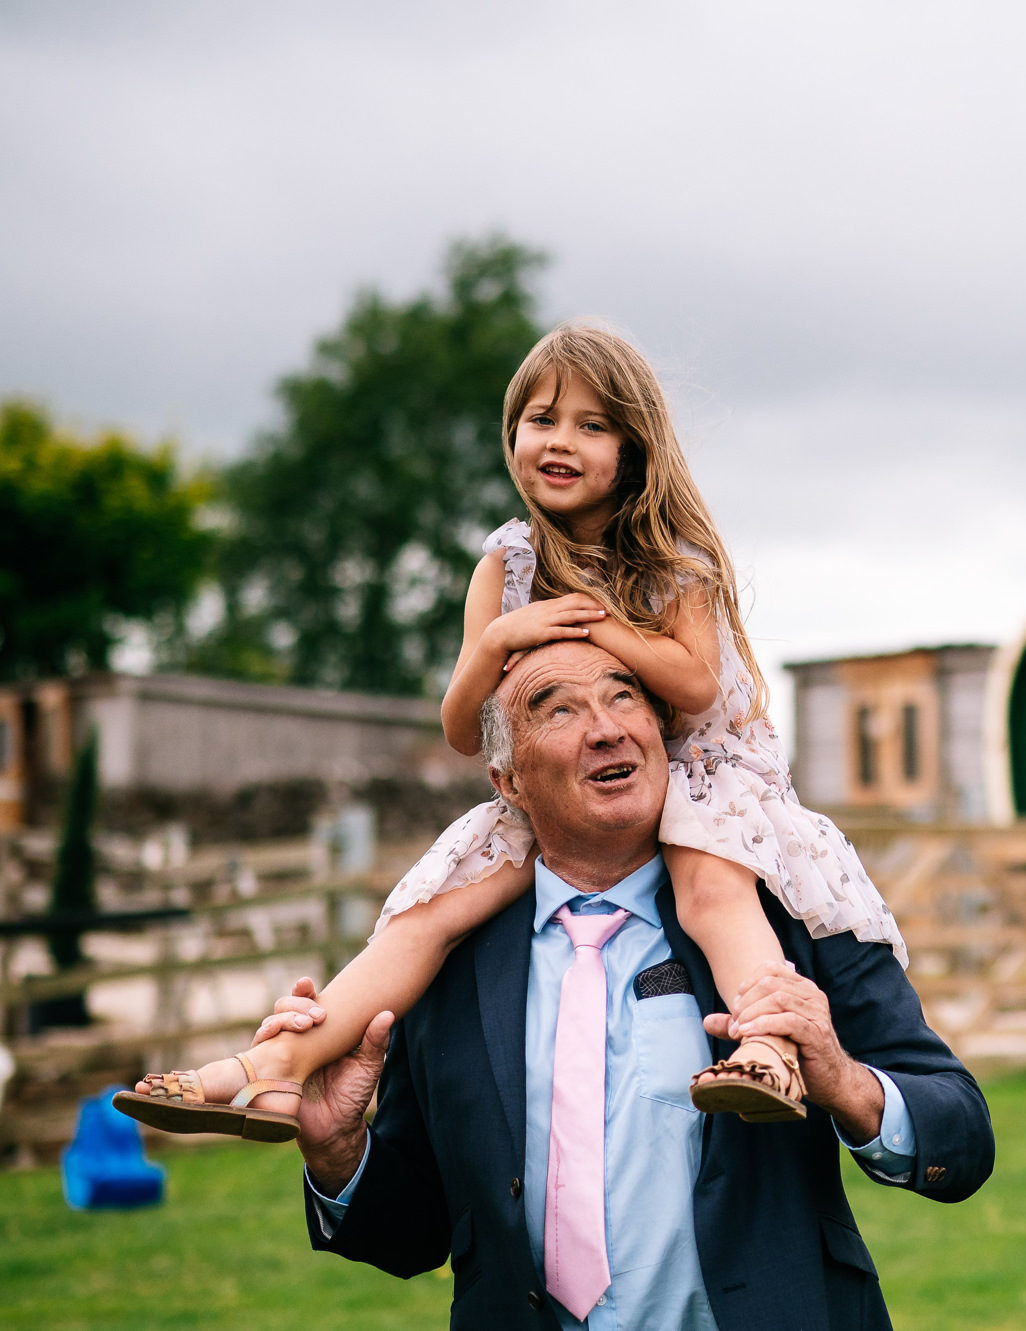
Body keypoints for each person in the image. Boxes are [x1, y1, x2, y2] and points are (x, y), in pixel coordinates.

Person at [118, 320, 902, 1142]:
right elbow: (463, 730)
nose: (561, 441)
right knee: (430, 912)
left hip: (700, 771)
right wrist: (494, 644)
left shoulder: (674, 560)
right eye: (542, 419)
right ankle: (273, 1067)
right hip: (562, 783)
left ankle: (769, 1047)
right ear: (513, 435)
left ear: (633, 450)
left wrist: (599, 629)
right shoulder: (507, 563)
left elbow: (697, 683)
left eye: (592, 425)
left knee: (713, 889)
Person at [279, 636, 993, 1328]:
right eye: (557, 709)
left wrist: (843, 1081)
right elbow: (421, 1233)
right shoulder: (449, 964)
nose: (606, 728)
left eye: (624, 696)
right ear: (508, 779)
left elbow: (961, 1134)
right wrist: (341, 1154)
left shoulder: (789, 915)